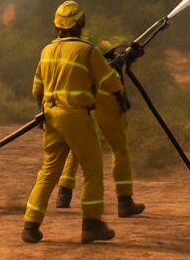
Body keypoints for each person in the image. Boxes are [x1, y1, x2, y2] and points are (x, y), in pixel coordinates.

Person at [21, 1, 124, 244]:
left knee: (48, 172)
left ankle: (31, 225)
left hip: (51, 116)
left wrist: (42, 114)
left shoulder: (46, 50)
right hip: (75, 116)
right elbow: (109, 80)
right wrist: (121, 96)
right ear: (80, 24)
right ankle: (91, 223)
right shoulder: (87, 50)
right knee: (92, 167)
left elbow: (37, 88)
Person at [54, 39, 145, 217]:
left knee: (77, 146)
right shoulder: (97, 55)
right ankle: (125, 201)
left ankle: (64, 194)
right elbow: (110, 73)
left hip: (86, 100)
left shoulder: (78, 51)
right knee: (119, 149)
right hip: (107, 98)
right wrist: (128, 58)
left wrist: (128, 59)